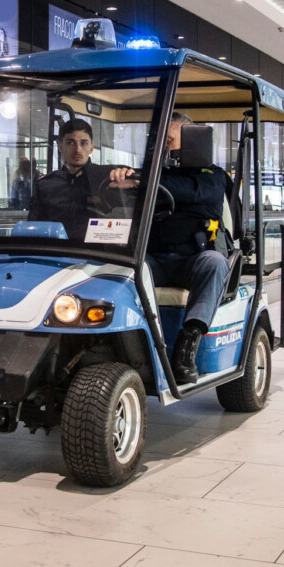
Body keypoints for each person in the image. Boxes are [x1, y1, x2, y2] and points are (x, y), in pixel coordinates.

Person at [109, 113, 230, 385]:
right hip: (154, 260)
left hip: (193, 260)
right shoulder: (153, 174)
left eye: (171, 140)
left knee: (215, 263)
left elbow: (192, 191)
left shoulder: (212, 176)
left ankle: (188, 344)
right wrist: (120, 178)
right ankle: (120, 339)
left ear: (192, 141)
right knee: (119, 266)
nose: (165, 146)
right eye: (162, 141)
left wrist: (143, 181)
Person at [29, 119, 111, 241]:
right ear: (60, 146)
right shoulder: (45, 185)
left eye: (83, 143)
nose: (77, 149)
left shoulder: (107, 179)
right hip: (58, 252)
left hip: (98, 254)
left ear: (91, 147)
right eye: (71, 142)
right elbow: (33, 227)